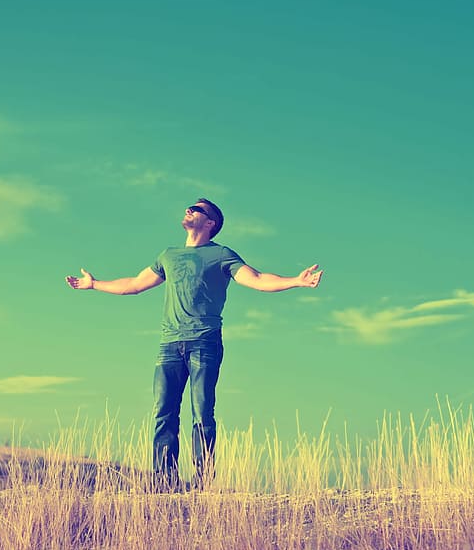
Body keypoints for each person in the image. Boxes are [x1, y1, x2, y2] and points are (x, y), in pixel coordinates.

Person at [65, 198, 323, 491]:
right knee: (163, 413)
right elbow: (135, 284)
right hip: (169, 345)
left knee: (202, 413)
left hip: (205, 342)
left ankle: (203, 484)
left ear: (210, 222)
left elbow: (257, 278)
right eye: (190, 207)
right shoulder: (168, 256)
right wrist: (94, 284)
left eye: (197, 209)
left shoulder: (221, 254)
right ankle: (164, 482)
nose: (189, 210)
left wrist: (296, 281)